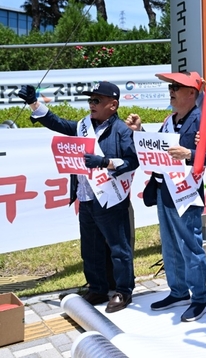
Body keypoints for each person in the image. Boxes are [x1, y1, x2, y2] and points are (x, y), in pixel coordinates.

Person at [19, 81, 138, 313]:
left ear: (113, 105)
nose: (91, 104)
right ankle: (97, 288)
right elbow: (58, 123)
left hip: (110, 198)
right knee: (90, 247)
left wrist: (105, 162)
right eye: (90, 100)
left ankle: (123, 291)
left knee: (118, 247)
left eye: (97, 101)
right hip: (85, 196)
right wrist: (34, 103)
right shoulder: (84, 125)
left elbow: (132, 161)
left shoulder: (122, 131)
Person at [126, 71, 206, 322]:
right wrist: (140, 130)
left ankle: (200, 298)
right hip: (165, 190)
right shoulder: (170, 119)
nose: (171, 91)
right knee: (170, 245)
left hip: (186, 192)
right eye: (171, 87)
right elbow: (156, 147)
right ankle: (178, 291)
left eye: (177, 87)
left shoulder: (202, 119)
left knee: (190, 245)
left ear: (192, 93)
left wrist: (190, 153)